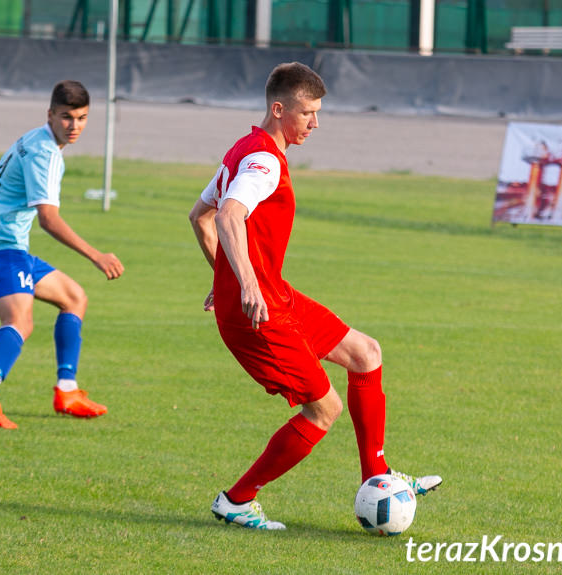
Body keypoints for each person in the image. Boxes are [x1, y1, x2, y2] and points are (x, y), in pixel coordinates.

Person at [188, 62, 441, 530]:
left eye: (318, 113)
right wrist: (241, 283)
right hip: (255, 311)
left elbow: (197, 216)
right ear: (279, 109)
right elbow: (225, 218)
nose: (315, 123)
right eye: (307, 113)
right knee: (324, 408)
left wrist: (226, 276)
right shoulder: (262, 161)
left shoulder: (243, 150)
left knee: (366, 353)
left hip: (272, 295)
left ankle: (377, 478)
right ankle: (237, 500)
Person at [0, 80, 123, 429]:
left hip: (1, 244)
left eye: (82, 118)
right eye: (66, 117)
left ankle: (67, 390)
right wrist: (96, 255)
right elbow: (49, 219)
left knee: (74, 297)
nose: (74, 126)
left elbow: (1, 182)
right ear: (50, 114)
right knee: (20, 322)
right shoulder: (44, 152)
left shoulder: (35, 138)